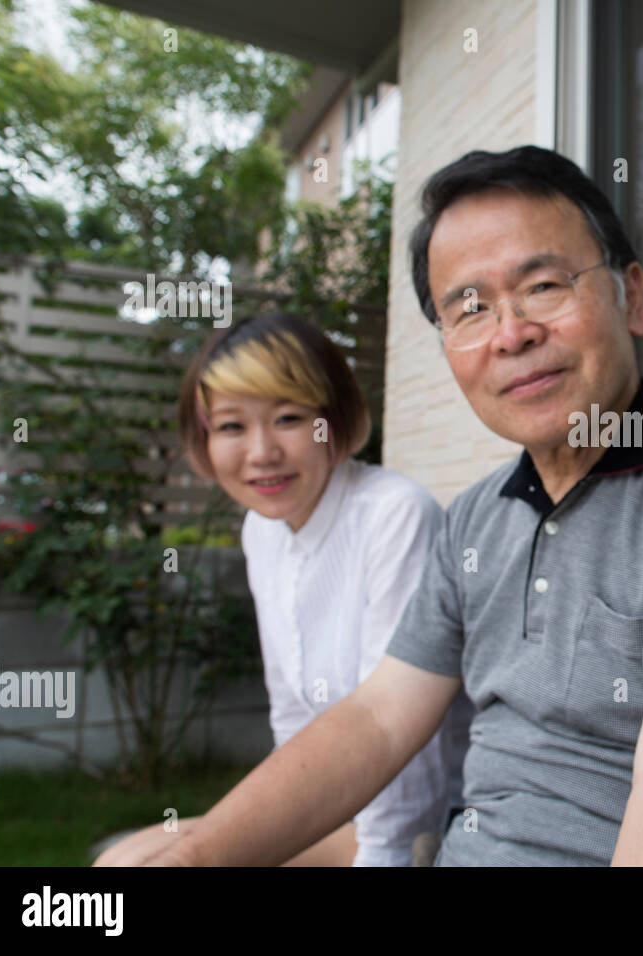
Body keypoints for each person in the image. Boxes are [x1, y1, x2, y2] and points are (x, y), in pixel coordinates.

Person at [138, 145, 643, 867]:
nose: (511, 333)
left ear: (632, 297)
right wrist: (200, 850)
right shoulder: (472, 520)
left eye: (545, 285)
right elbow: (378, 719)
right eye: (469, 308)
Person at [95, 312, 471, 866]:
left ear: (333, 420)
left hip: (434, 819)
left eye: (289, 418)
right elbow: (293, 718)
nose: (262, 452)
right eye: (231, 427)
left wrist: (379, 861)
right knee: (123, 860)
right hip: (343, 809)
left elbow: (407, 737)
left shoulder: (394, 514)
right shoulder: (262, 530)